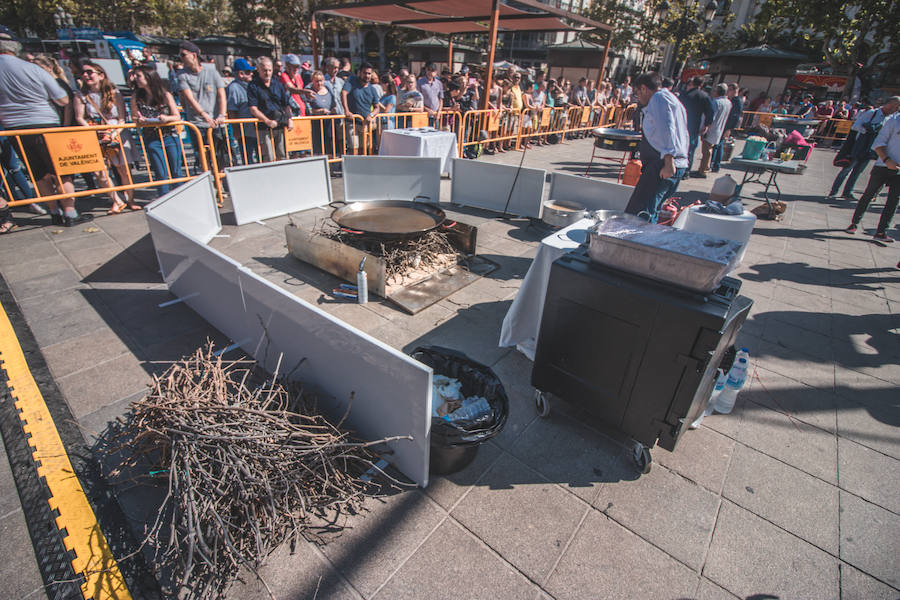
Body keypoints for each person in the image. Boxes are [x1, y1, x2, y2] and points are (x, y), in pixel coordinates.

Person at [0, 33, 93, 227]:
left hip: (14, 128)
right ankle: (70, 212)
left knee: (39, 174)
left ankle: (54, 212)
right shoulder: (31, 69)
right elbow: (62, 98)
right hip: (45, 124)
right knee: (61, 172)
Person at [74, 61, 138, 213]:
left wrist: (113, 133)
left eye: (90, 72)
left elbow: (122, 117)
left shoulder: (114, 92)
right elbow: (80, 117)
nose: (85, 75)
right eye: (83, 73)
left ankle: (130, 199)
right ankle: (116, 200)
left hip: (117, 133)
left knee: (124, 171)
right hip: (95, 135)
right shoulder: (81, 95)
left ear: (101, 75)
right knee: (101, 173)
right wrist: (94, 132)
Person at [624, 72, 689, 222]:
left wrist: (668, 162)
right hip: (673, 163)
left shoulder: (658, 99)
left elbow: (668, 129)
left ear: (644, 88)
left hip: (663, 165)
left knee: (641, 214)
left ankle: (636, 243)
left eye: (637, 93)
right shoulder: (671, 99)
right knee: (650, 211)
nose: (638, 98)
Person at [846, 107, 900, 242]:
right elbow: (878, 144)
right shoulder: (893, 120)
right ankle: (854, 223)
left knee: (893, 201)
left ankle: (881, 232)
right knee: (869, 195)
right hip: (883, 165)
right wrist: (887, 160)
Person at [831, 97, 900, 201]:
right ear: (889, 104)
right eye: (896, 106)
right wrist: (868, 130)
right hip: (859, 146)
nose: (896, 109)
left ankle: (847, 192)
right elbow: (855, 126)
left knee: (857, 172)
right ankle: (834, 191)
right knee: (847, 169)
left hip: (870, 150)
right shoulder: (871, 113)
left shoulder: (890, 119)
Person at [130, 64, 184, 197]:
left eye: (139, 76)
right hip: (151, 137)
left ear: (149, 77)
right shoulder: (136, 97)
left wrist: (166, 118)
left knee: (176, 171)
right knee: (160, 172)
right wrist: (140, 120)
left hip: (169, 135)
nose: (135, 78)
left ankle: (182, 197)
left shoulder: (165, 94)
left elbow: (177, 116)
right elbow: (134, 117)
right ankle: (164, 198)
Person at [177, 41, 227, 171]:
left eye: (183, 55)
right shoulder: (182, 75)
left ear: (193, 55)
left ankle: (221, 183)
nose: (181, 58)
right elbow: (189, 98)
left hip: (216, 122)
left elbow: (221, 93)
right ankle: (210, 181)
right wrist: (204, 115)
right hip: (197, 122)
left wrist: (222, 114)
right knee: (203, 156)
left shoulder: (211, 70)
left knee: (220, 155)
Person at [247, 56, 294, 162]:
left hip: (280, 124)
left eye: (269, 70)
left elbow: (286, 104)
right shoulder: (253, 86)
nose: (267, 73)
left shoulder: (277, 84)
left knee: (282, 155)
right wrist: (267, 121)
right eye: (264, 70)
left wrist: (289, 119)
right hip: (264, 127)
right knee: (268, 156)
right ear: (258, 69)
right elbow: (253, 108)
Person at [226, 58, 259, 165]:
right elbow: (232, 111)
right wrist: (236, 130)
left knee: (260, 157)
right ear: (241, 74)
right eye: (248, 72)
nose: (251, 74)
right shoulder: (234, 88)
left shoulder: (252, 85)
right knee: (247, 158)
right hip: (245, 131)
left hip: (257, 129)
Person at [679, 76, 713, 176]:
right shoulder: (704, 96)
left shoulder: (685, 95)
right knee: (690, 149)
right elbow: (710, 112)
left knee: (681, 147)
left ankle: (679, 168)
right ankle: (686, 171)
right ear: (701, 85)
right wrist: (706, 124)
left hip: (682, 124)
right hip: (694, 126)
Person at [694, 83, 731, 178]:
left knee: (707, 151)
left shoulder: (716, 102)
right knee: (709, 150)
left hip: (712, 129)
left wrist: (705, 127)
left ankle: (703, 170)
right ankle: (703, 168)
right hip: (719, 128)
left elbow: (711, 117)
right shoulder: (728, 103)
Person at [711, 82, 741, 172]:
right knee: (718, 145)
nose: (728, 92)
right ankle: (715, 164)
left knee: (718, 145)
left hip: (726, 127)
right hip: (723, 125)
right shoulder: (730, 100)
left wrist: (729, 129)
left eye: (730, 90)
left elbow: (735, 117)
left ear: (735, 91)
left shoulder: (736, 102)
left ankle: (715, 164)